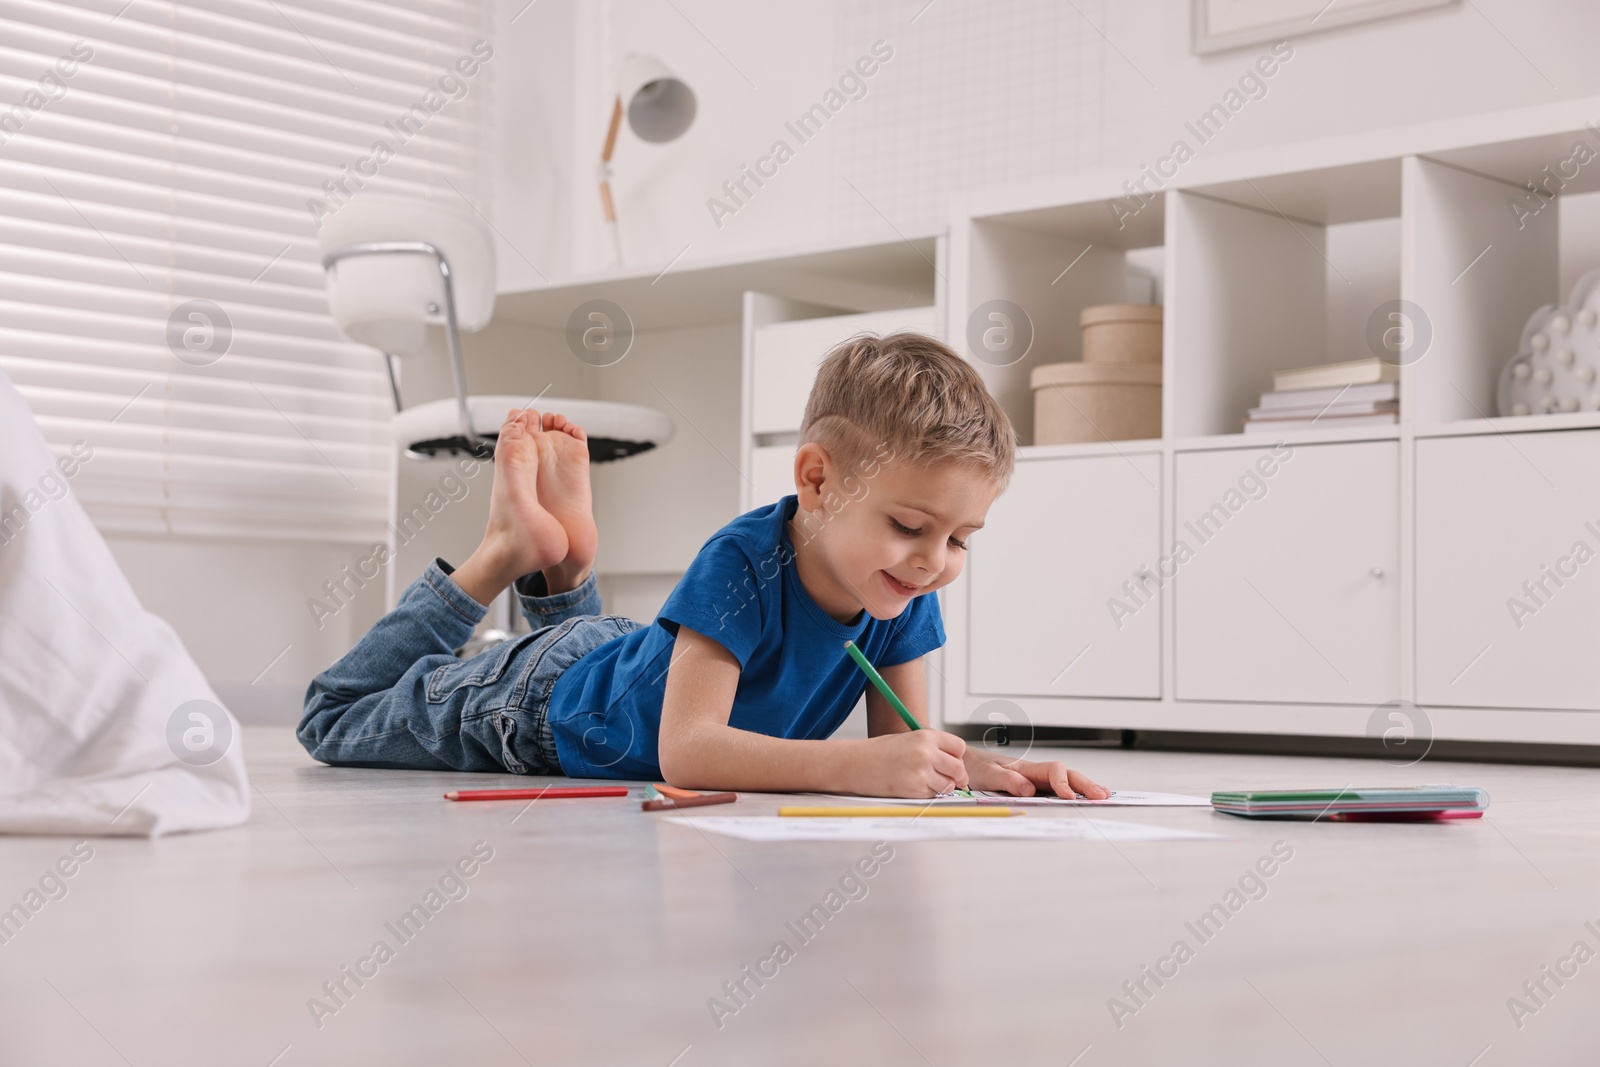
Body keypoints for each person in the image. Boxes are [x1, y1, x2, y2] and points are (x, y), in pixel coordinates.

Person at [298, 333, 1107, 799]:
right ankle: (503, 555)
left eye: (962, 540)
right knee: (331, 719)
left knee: (610, 670)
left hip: (628, 660)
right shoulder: (741, 561)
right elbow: (685, 750)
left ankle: (565, 566)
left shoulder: (901, 586)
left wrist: (995, 770)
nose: (936, 562)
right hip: (533, 705)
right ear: (817, 479)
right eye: (909, 525)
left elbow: (906, 743)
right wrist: (852, 766)